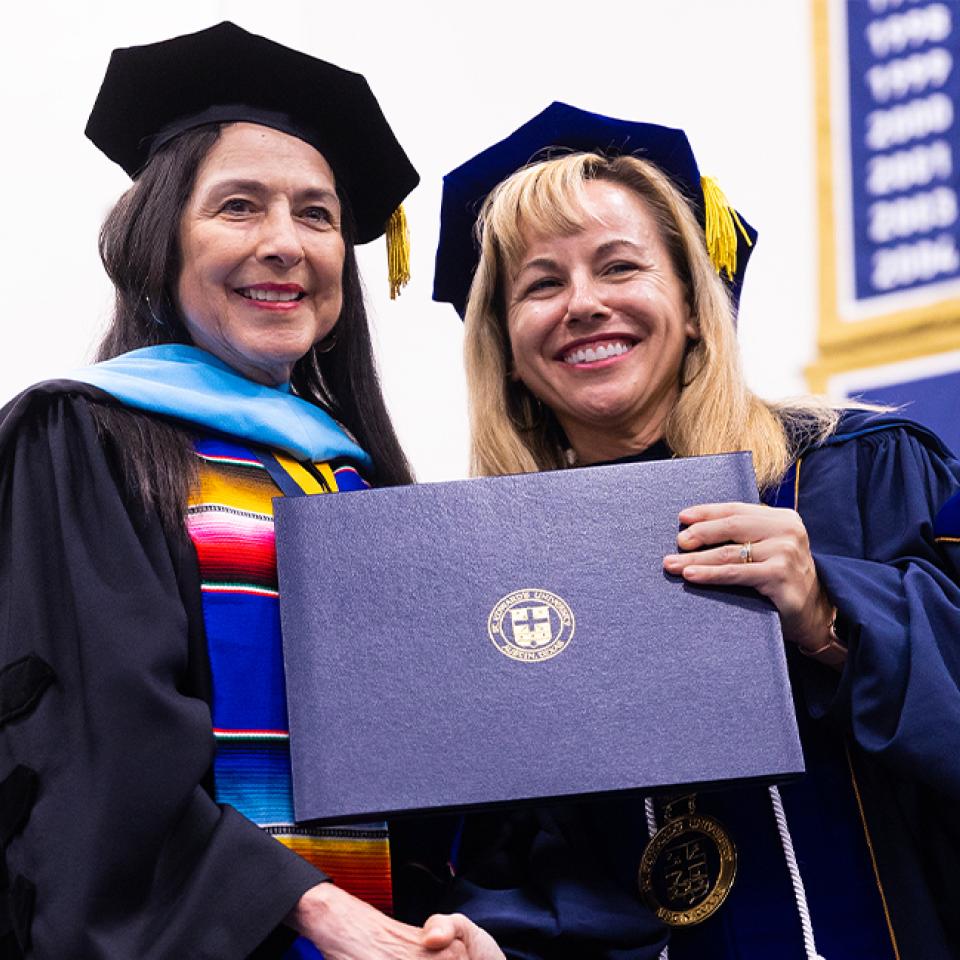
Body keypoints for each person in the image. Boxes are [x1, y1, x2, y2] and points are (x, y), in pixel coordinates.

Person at [0, 22, 502, 960]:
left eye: (316, 215)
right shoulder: (85, 438)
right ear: (159, 240)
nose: (283, 244)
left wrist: (448, 922)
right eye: (238, 207)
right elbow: (100, 743)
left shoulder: (355, 479)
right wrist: (312, 907)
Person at [430, 102, 960, 960]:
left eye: (619, 266)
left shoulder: (866, 471)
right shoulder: (501, 576)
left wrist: (830, 613)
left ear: (693, 303)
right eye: (541, 285)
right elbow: (515, 853)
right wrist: (493, 941)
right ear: (508, 349)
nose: (584, 304)